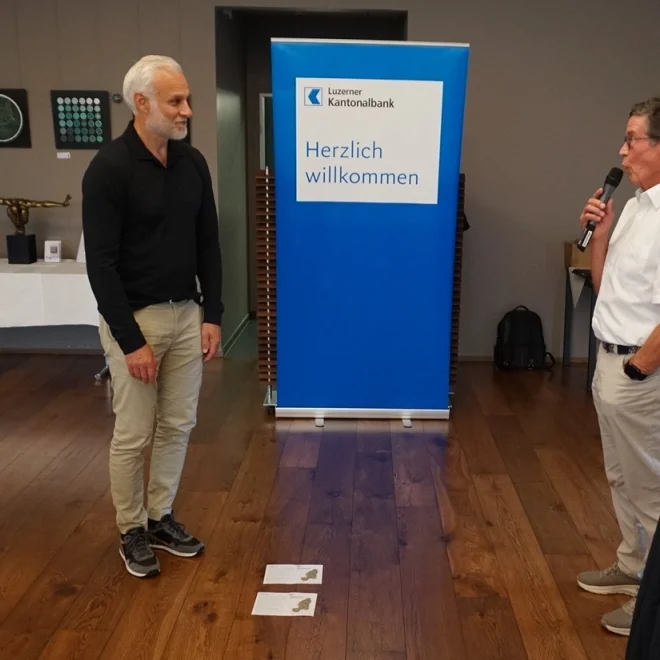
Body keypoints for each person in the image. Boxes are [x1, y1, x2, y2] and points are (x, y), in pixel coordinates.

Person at [81, 55, 223, 578]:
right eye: (175, 101)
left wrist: (213, 313)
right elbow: (101, 265)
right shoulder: (109, 169)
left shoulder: (192, 163)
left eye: (186, 99)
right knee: (134, 432)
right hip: (136, 322)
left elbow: (208, 242)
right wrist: (130, 340)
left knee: (178, 425)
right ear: (141, 103)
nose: (187, 110)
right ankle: (131, 530)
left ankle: (161, 518)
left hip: (186, 315)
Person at [576, 96, 660, 636]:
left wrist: (639, 368)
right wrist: (600, 236)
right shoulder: (634, 205)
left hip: (638, 373)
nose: (621, 151)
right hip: (609, 360)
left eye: (632, 139)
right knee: (620, 476)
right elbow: (606, 287)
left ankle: (652, 604)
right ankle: (632, 565)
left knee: (651, 489)